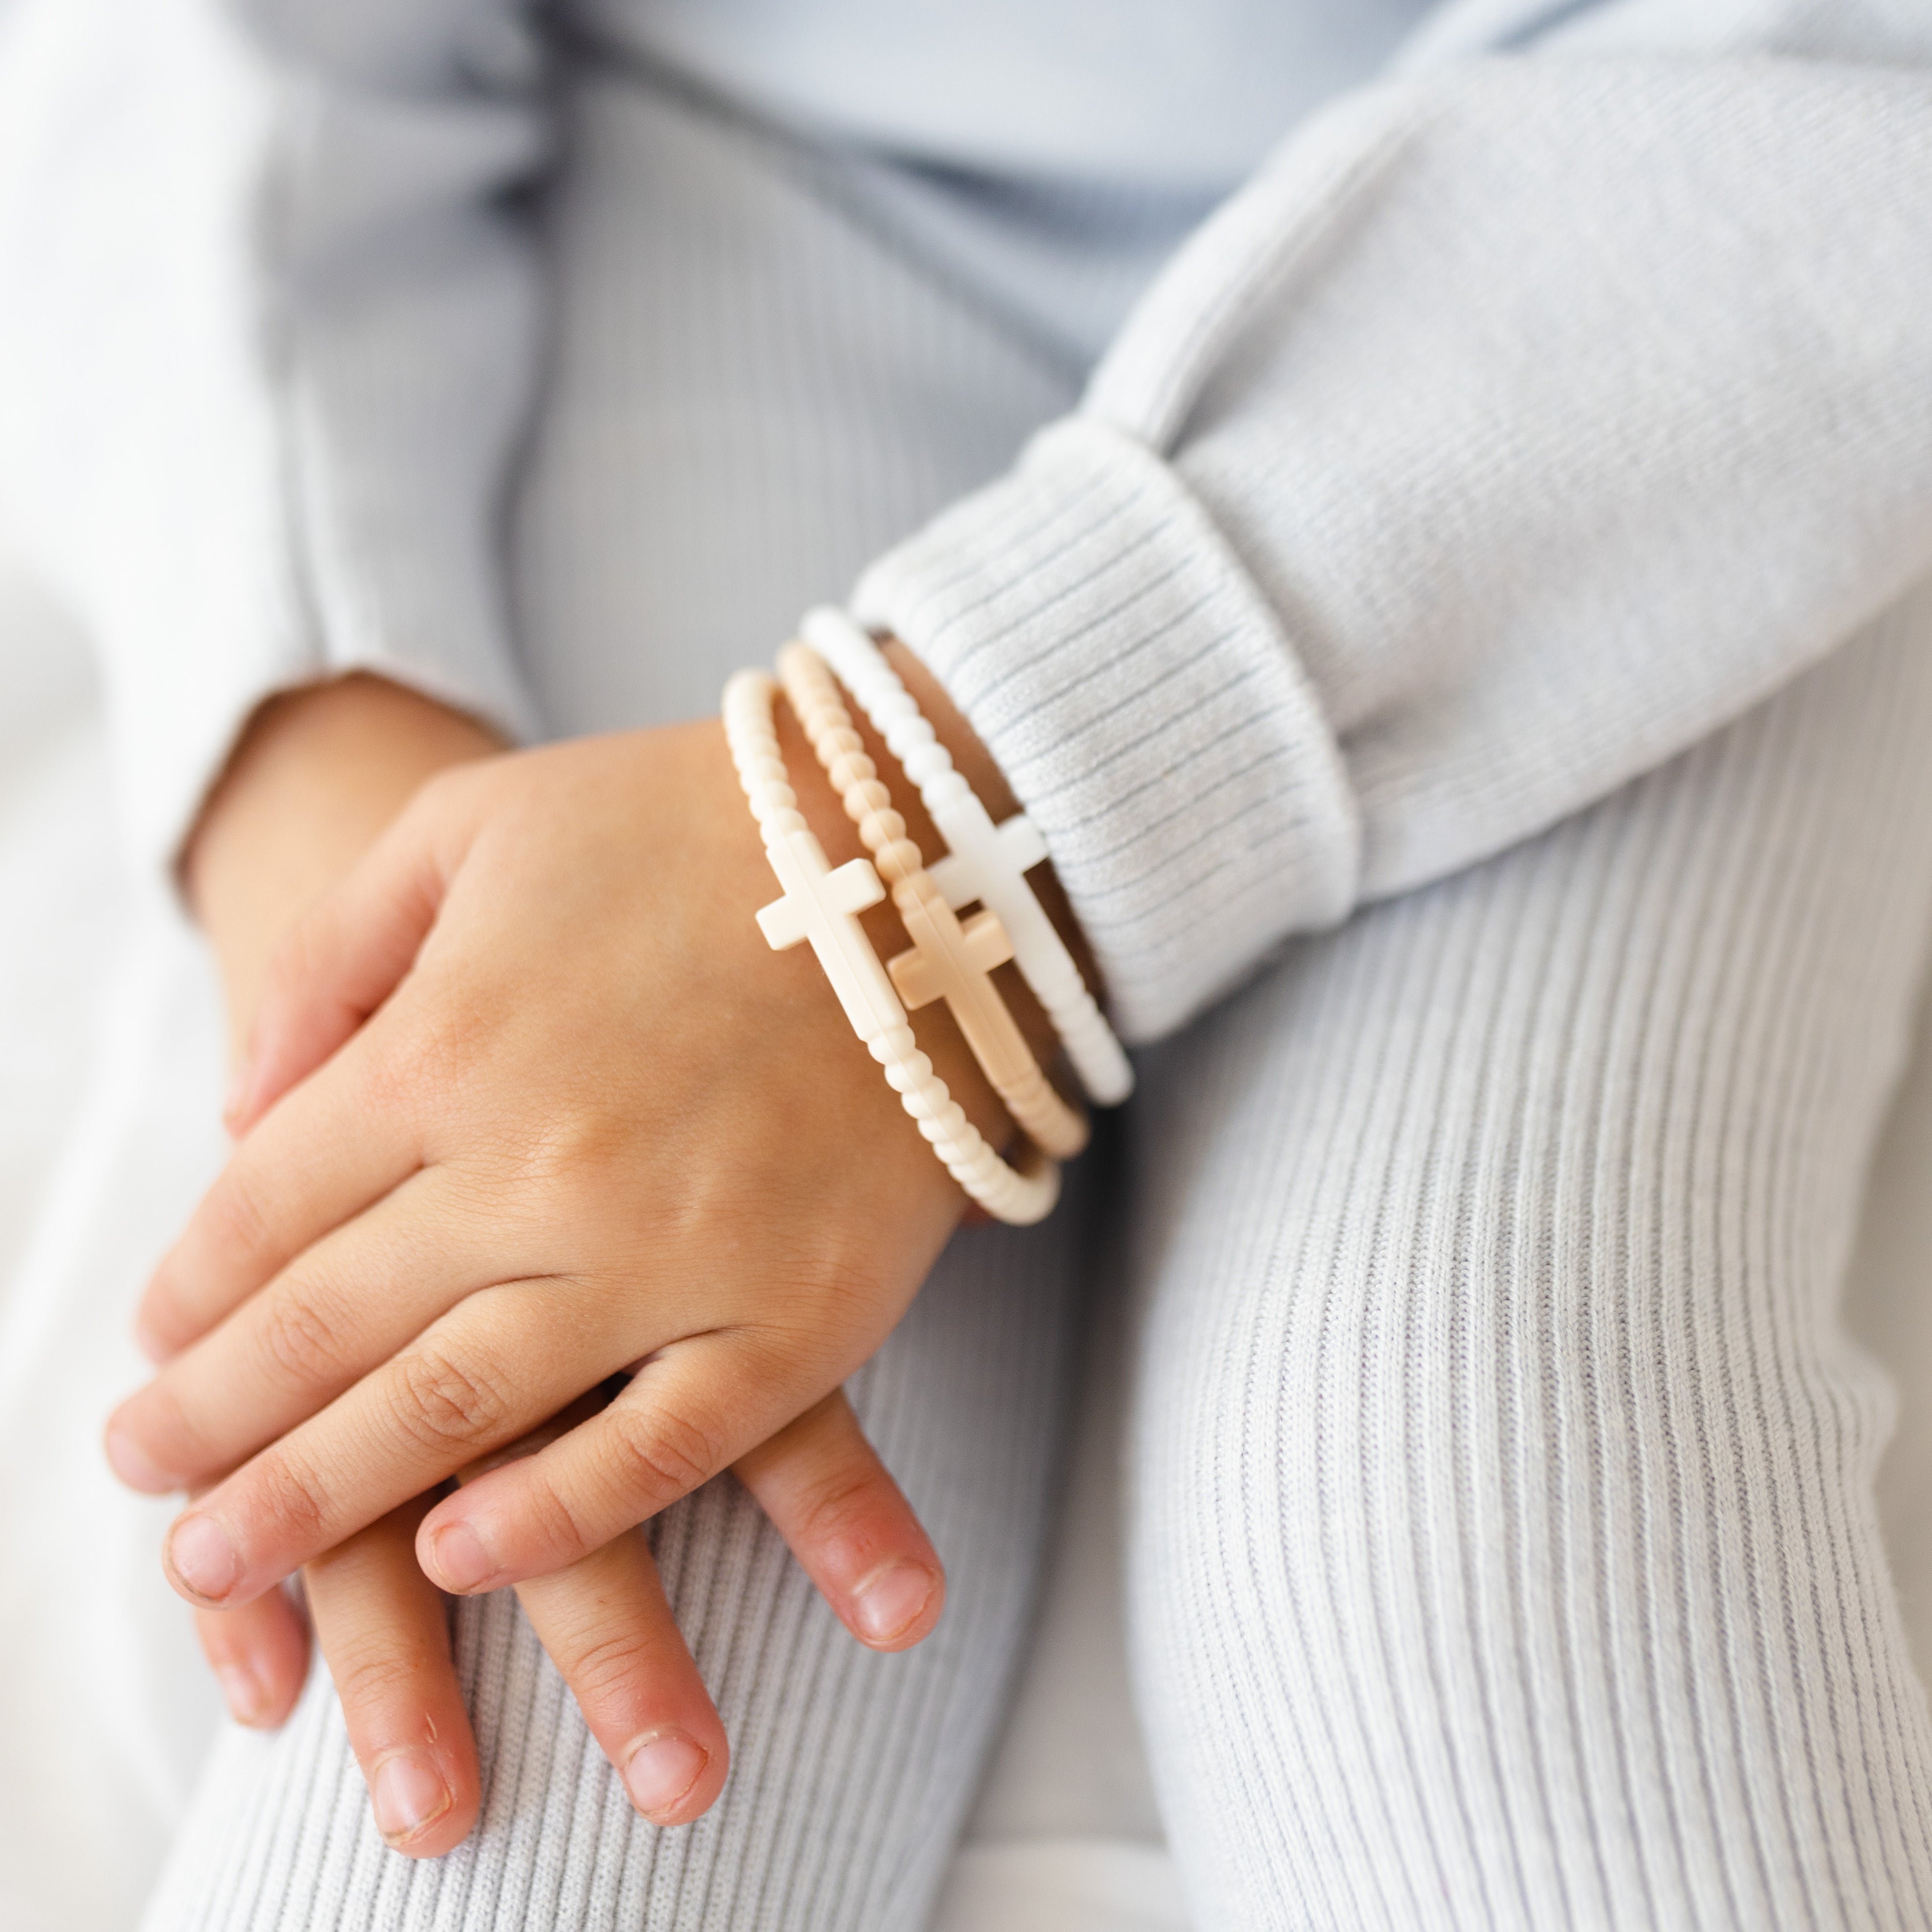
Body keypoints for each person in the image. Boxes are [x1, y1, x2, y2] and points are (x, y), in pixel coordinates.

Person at [4, 0, 1932, 1925]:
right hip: (744, 179)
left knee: (1454, 1476)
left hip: (1678, 269)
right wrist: (337, 772)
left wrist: (931, 813)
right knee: (532, 1635)